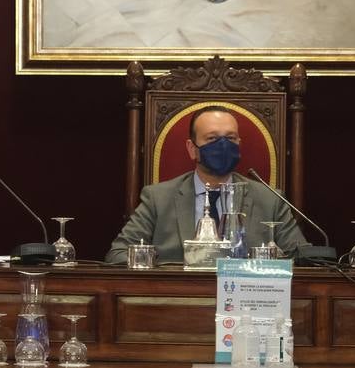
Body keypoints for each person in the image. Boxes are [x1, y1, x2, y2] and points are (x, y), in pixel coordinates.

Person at [107, 106, 306, 263]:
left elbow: (303, 259)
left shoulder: (270, 199)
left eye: (230, 138)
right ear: (192, 148)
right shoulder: (158, 198)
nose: (223, 145)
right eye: (212, 138)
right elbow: (118, 254)